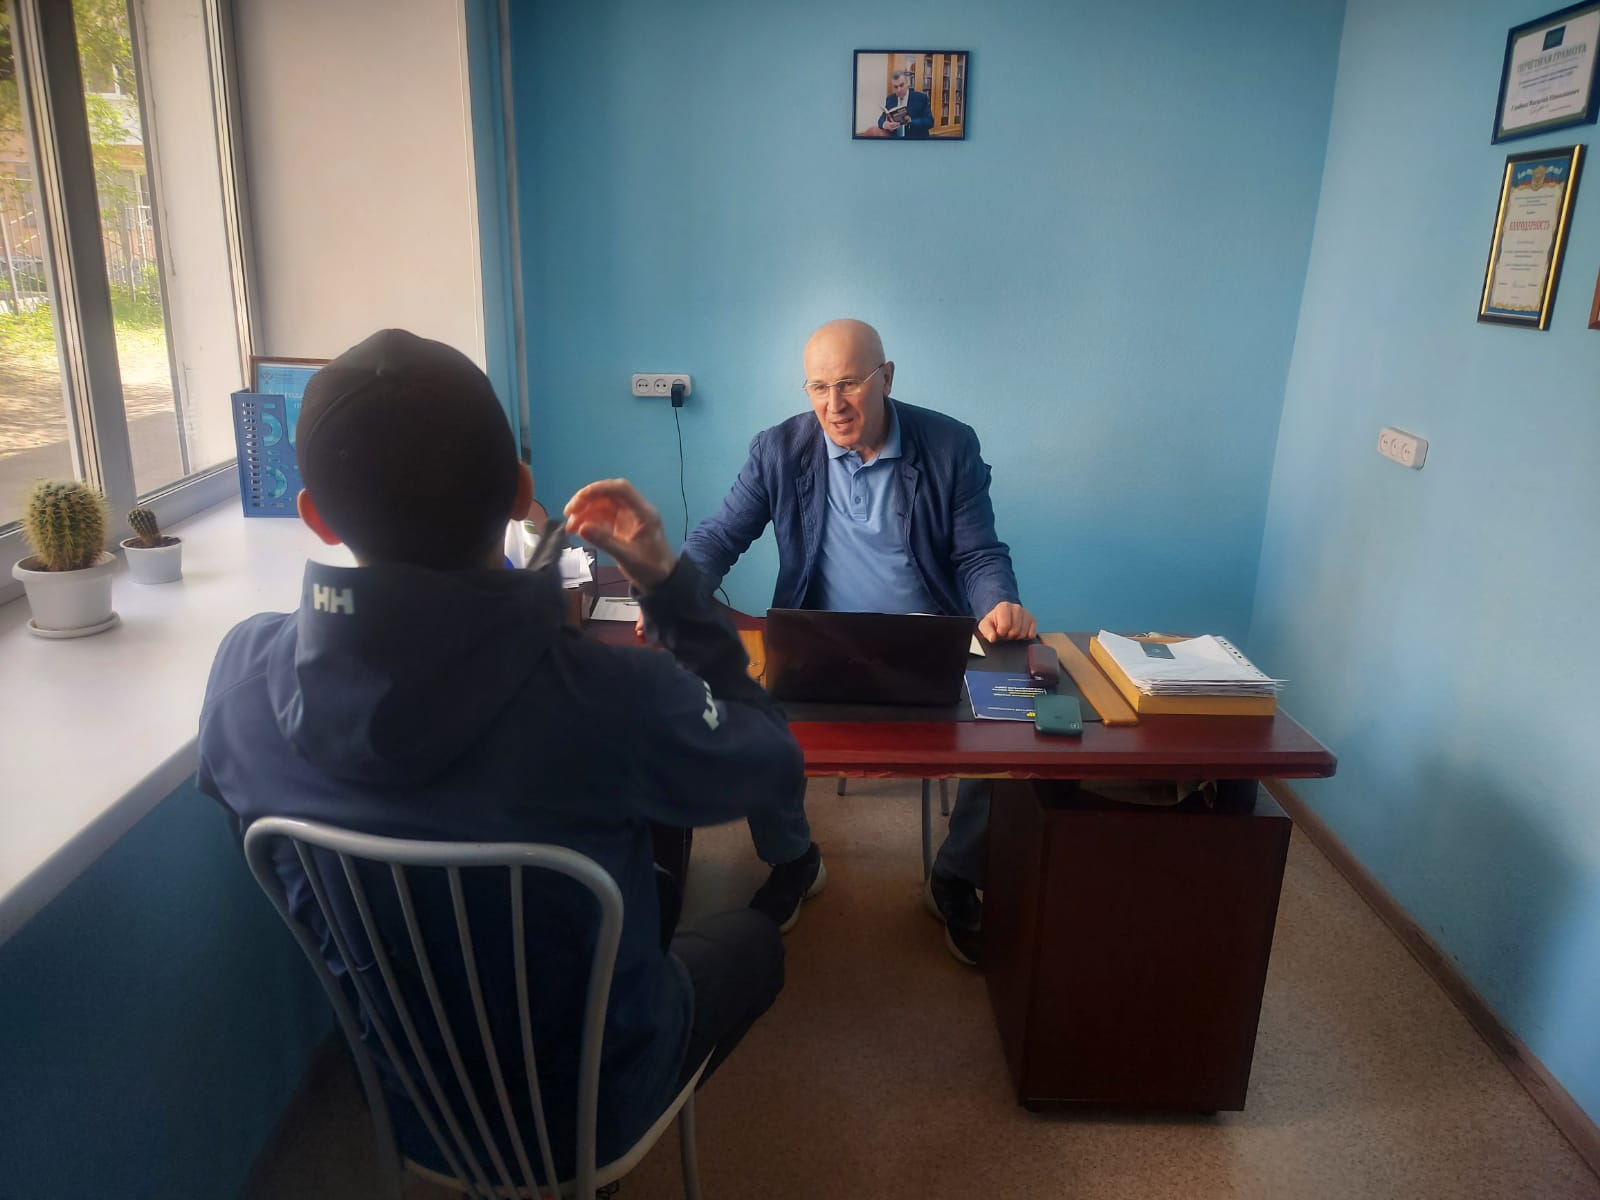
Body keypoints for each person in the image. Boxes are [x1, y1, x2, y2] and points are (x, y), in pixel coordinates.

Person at [196, 329, 803, 1182]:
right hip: (595, 1109)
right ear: (521, 493)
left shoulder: (238, 676)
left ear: (317, 517)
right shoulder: (617, 699)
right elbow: (774, 760)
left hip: (407, 1104)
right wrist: (668, 585)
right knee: (751, 936)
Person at [682, 318, 1037, 965]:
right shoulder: (778, 450)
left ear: (886, 378)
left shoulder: (949, 446)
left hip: (929, 642)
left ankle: (954, 875)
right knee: (749, 724)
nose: (834, 405)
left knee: (1011, 727)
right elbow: (719, 536)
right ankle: (794, 861)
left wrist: (998, 604)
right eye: (818, 387)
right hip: (820, 642)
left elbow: (979, 553)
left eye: (848, 384)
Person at [877, 69, 934, 138]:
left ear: (907, 83)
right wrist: (885, 124)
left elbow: (930, 122)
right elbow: (881, 119)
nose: (899, 90)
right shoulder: (890, 99)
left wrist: (911, 121)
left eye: (901, 85)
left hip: (915, 139)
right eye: (895, 87)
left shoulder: (921, 98)